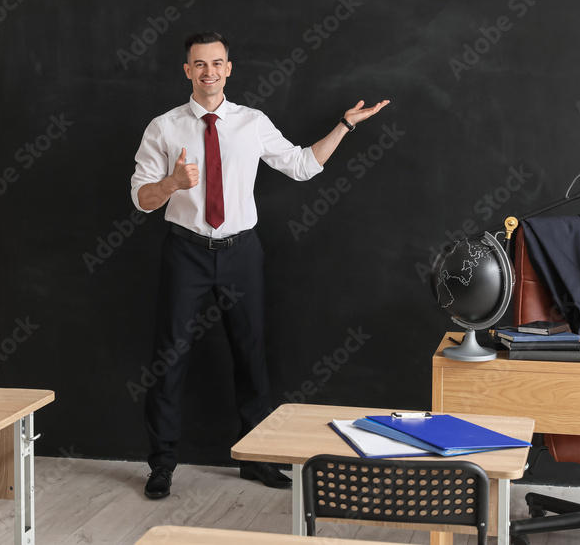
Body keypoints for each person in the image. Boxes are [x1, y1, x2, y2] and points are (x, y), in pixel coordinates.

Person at [130, 31, 389, 499]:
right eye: (199, 64)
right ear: (186, 71)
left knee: (251, 356)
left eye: (217, 63)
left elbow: (302, 165)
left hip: (240, 252)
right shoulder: (164, 127)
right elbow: (142, 199)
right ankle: (162, 464)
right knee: (169, 360)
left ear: (229, 68)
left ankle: (257, 461)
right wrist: (171, 182)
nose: (209, 71)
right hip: (185, 250)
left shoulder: (251, 122)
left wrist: (345, 126)